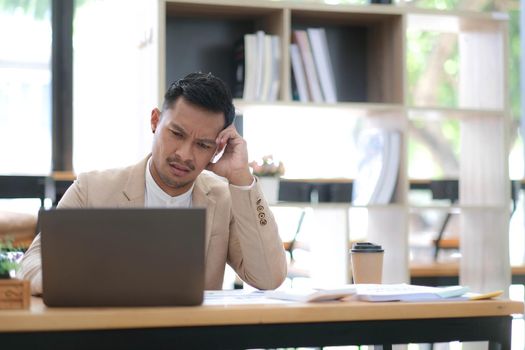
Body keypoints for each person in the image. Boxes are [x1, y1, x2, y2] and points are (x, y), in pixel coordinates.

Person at [19, 72, 287, 295]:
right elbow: (31, 265)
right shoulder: (92, 189)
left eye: (203, 145)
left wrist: (241, 177)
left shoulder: (225, 199)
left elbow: (269, 277)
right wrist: (88, 282)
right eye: (176, 134)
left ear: (218, 148)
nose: (184, 154)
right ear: (155, 121)